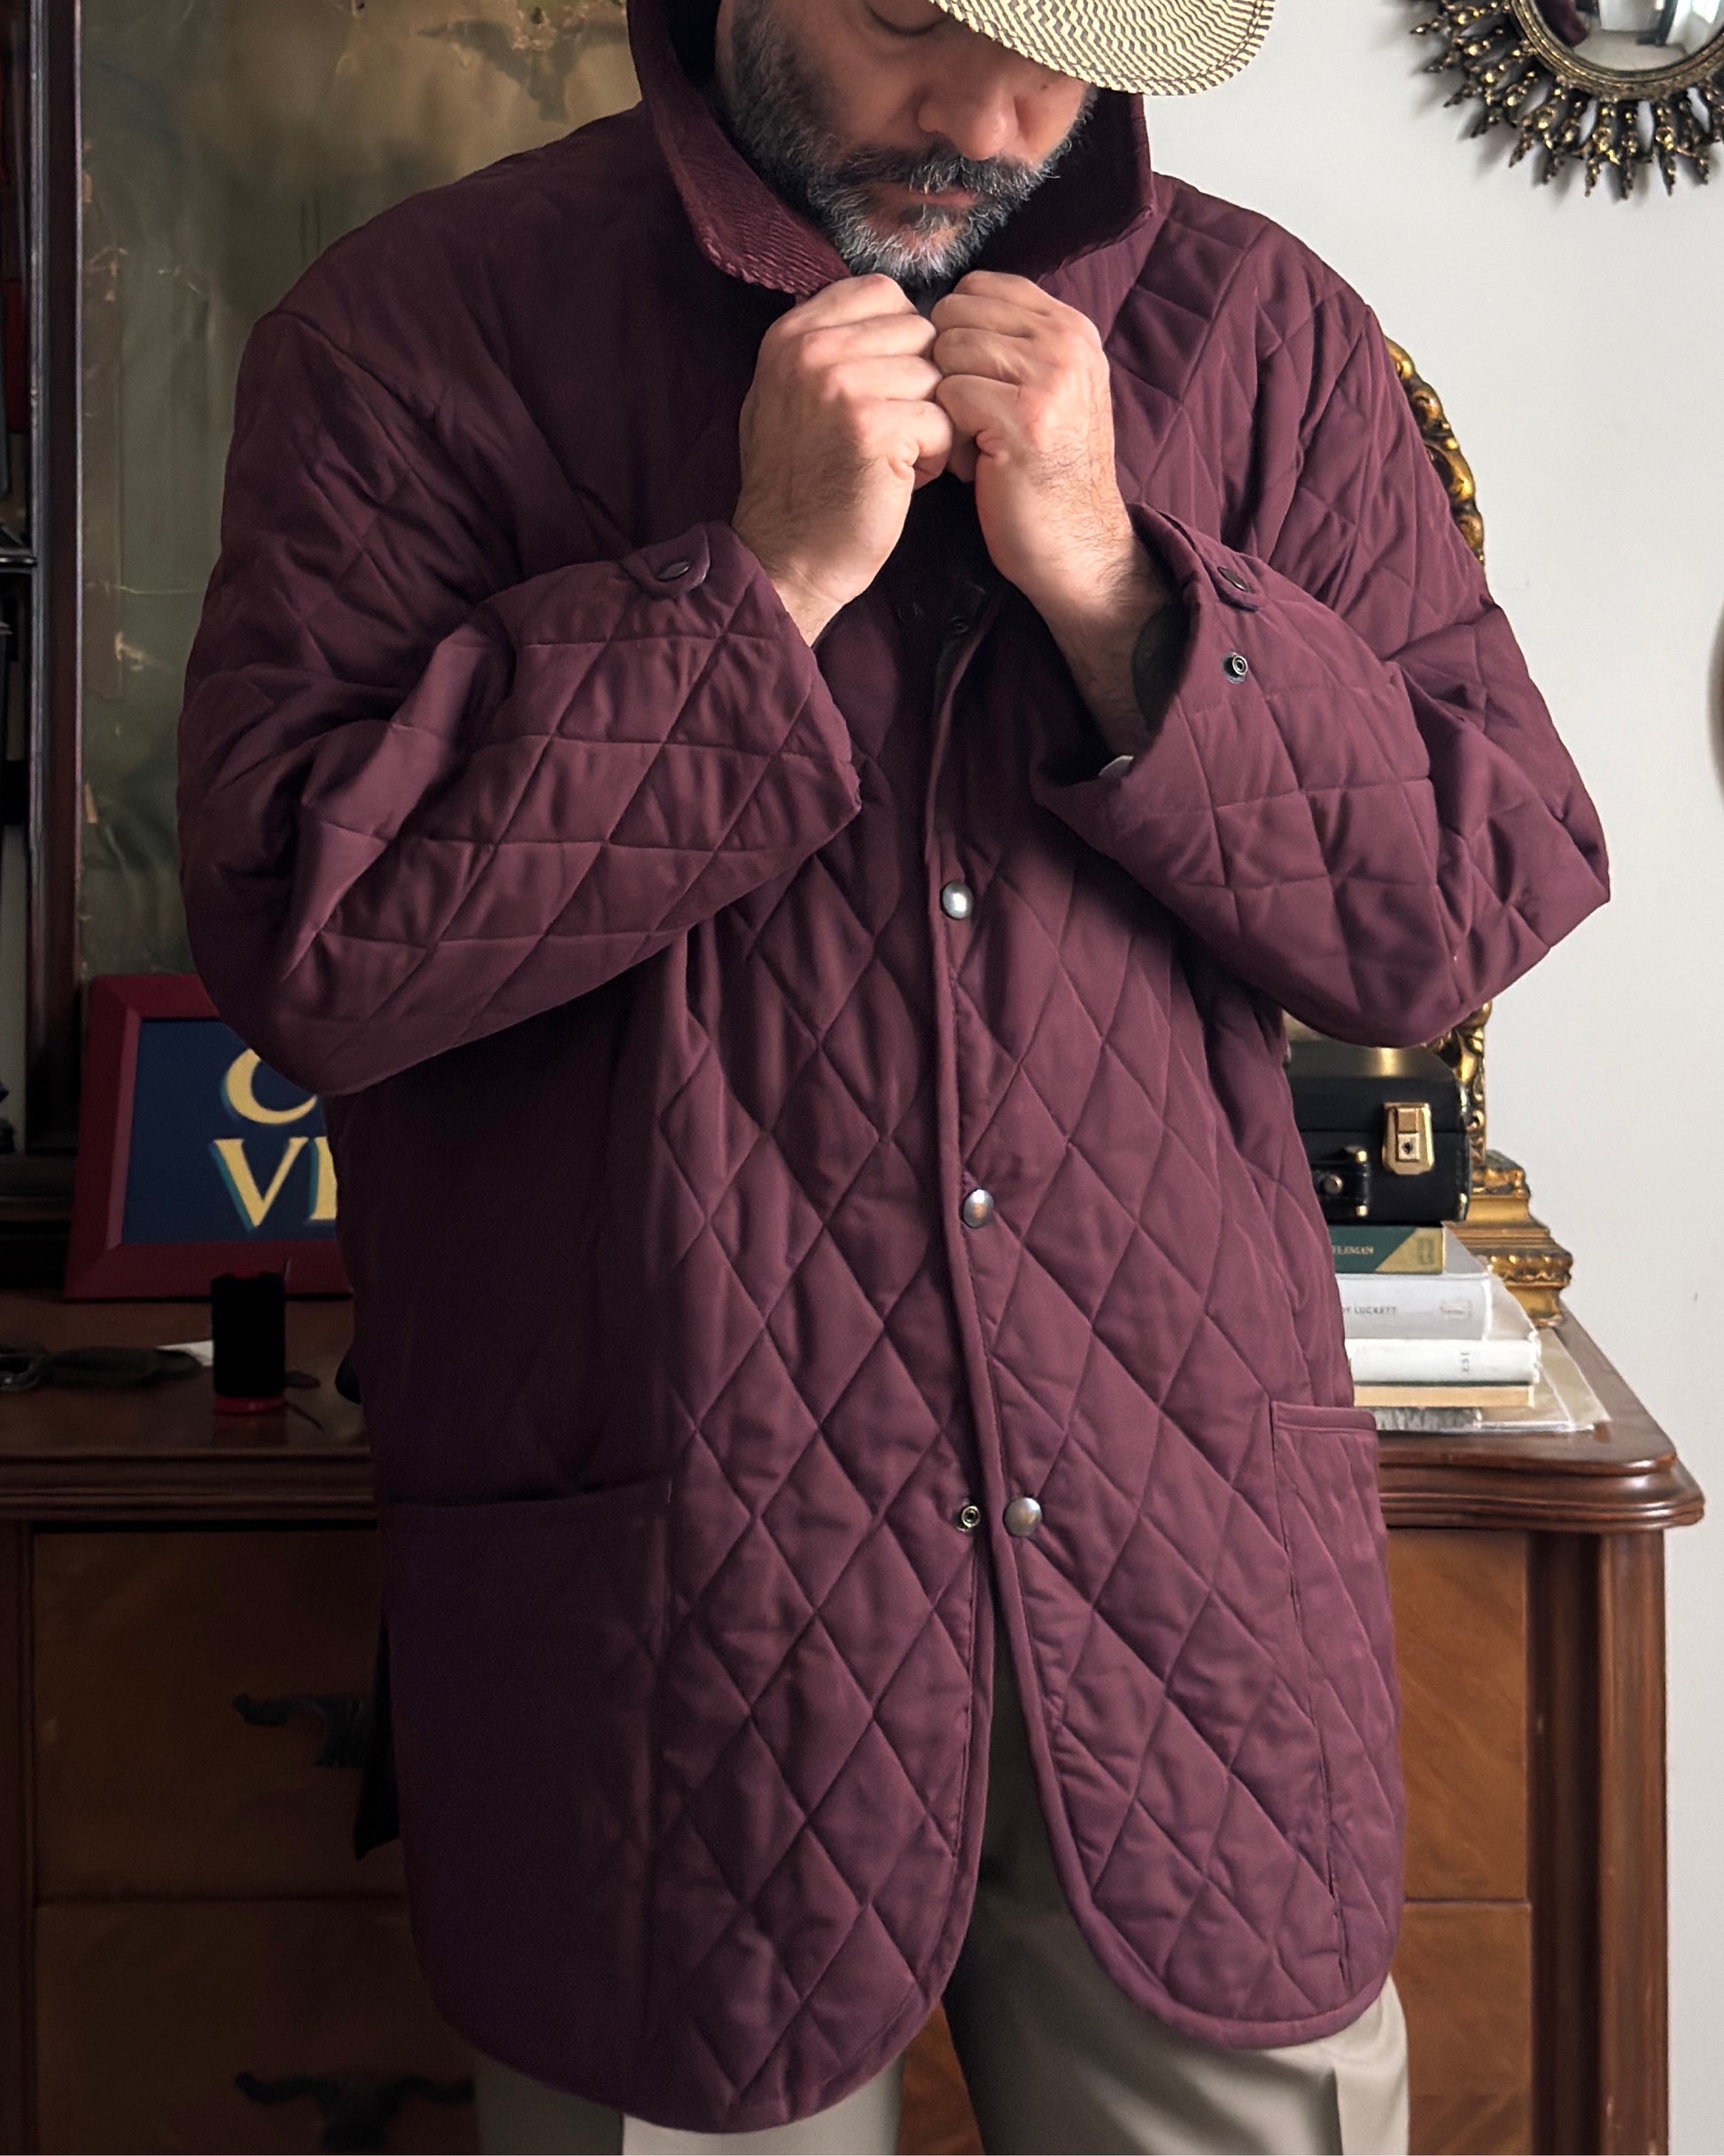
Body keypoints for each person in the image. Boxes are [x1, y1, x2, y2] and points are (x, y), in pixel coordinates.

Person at [175, 0, 1610, 2149]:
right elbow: (314, 943)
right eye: (913, 21)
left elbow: (1459, 901)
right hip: (678, 1634)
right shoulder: (414, 331)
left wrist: (1120, 583)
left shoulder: (1265, 338)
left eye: (1065, 40)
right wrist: (753, 590)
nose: (992, 111)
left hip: (1185, 1605)